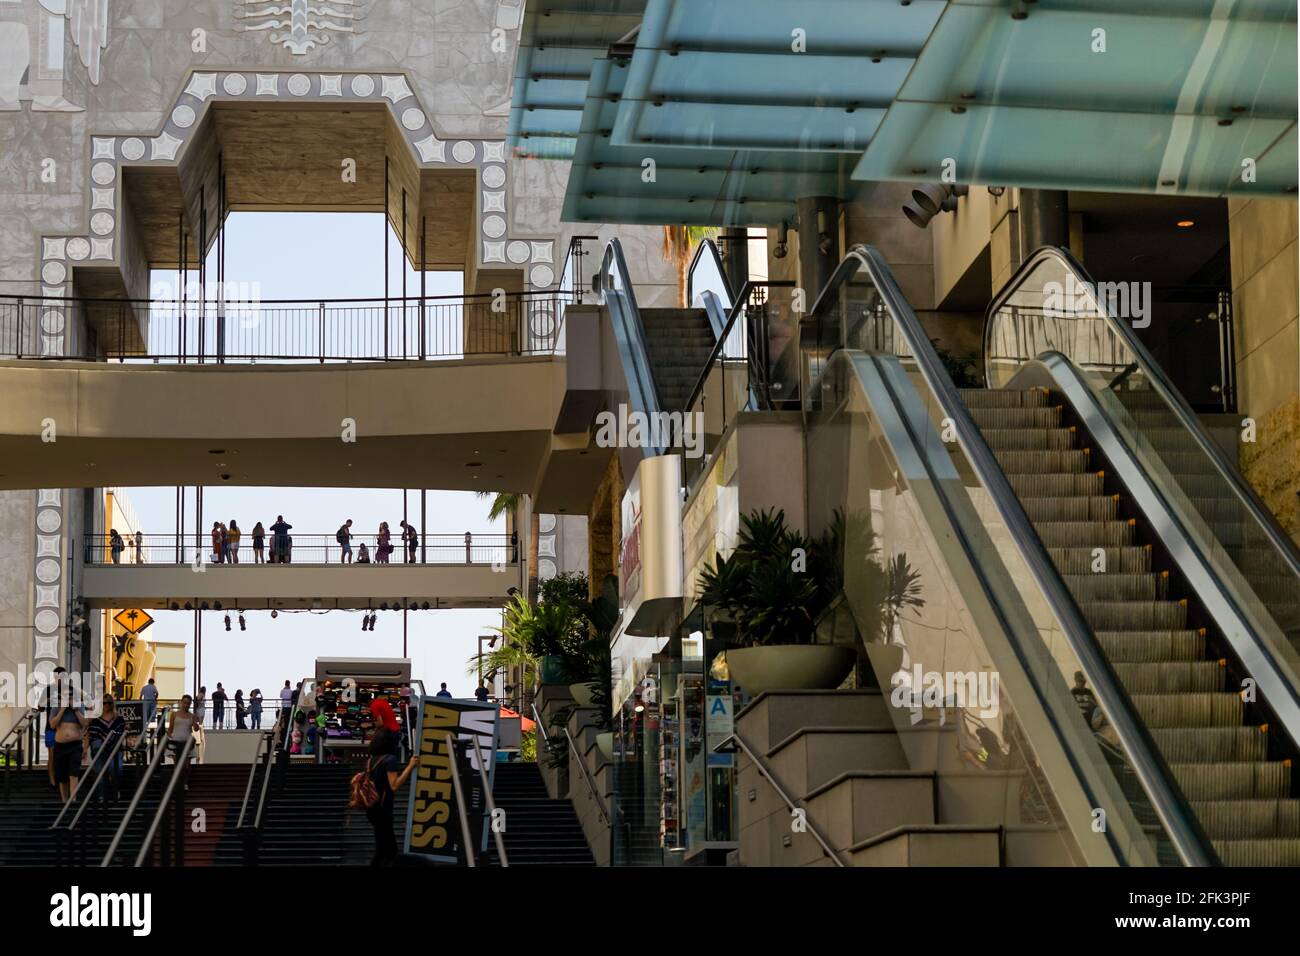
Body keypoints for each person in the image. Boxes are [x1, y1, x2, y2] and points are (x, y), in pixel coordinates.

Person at [361, 700, 419, 866]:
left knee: (381, 849)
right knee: (390, 850)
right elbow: (394, 785)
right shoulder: (390, 760)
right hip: (383, 809)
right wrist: (410, 766)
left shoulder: (371, 760)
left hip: (371, 808)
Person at [48, 683, 87, 803]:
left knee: (73, 773)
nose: (68, 698)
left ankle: (73, 799)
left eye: (70, 695)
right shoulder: (56, 707)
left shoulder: (79, 706)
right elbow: (52, 724)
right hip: (60, 745)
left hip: (75, 745)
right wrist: (62, 710)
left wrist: (75, 710)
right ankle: (64, 800)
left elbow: (84, 723)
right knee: (62, 775)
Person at [87, 695, 126, 802]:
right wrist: (85, 750)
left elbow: (123, 732)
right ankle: (101, 795)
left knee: (116, 770)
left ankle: (115, 791)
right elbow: (90, 734)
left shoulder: (118, 719)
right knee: (99, 772)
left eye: (109, 703)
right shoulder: (95, 720)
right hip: (99, 750)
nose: (106, 705)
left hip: (116, 749)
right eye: (104, 703)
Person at [166, 695, 198, 762]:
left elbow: (196, 729)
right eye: (184, 702)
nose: (186, 705)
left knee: (187, 765)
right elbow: (170, 728)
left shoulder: (192, 715)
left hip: (187, 741)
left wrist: (195, 723)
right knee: (176, 763)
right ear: (181, 702)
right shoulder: (174, 714)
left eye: (188, 703)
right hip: (175, 741)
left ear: (190, 704)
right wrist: (168, 739)